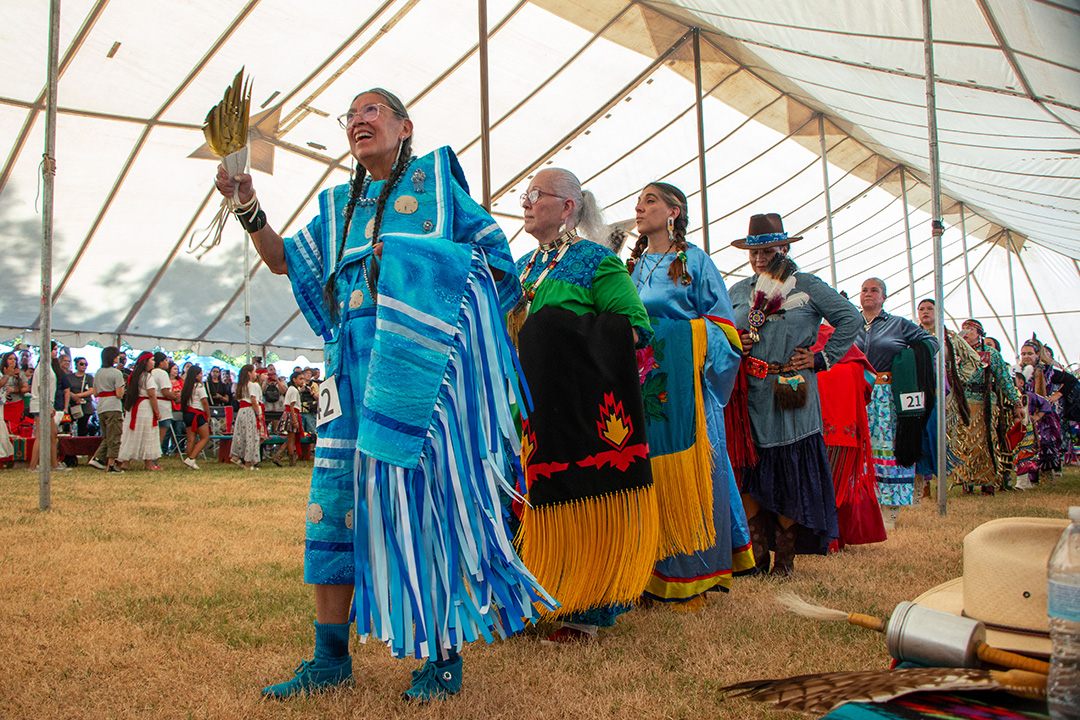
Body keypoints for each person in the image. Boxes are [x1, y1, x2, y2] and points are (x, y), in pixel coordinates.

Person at [214, 87, 552, 701]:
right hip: (348, 378)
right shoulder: (341, 205)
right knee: (332, 509)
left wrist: (417, 273)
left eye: (372, 111)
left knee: (419, 510)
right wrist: (247, 206)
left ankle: (439, 658)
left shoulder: (438, 194)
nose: (358, 122)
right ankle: (328, 659)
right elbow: (282, 261)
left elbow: (499, 267)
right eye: (351, 116)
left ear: (404, 125)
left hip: (414, 378)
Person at [510, 167, 655, 643]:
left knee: (580, 500)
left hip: (579, 409)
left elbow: (634, 327)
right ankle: (534, 600)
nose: (525, 203)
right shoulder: (523, 268)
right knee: (528, 503)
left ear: (568, 206)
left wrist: (557, 331)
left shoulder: (595, 262)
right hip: (527, 411)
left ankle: (586, 611)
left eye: (536, 195)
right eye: (524, 195)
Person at [625, 182, 753, 607]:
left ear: (674, 211)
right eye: (639, 201)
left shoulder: (694, 261)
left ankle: (694, 571)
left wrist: (683, 337)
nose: (639, 208)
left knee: (696, 468)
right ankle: (649, 570)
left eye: (650, 201)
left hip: (687, 385)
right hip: (644, 384)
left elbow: (725, 330)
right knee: (646, 470)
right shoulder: (633, 266)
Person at [728, 213, 859, 576]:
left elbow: (851, 319)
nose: (758, 259)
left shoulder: (807, 286)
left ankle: (784, 559)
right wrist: (733, 340)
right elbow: (717, 328)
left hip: (792, 390)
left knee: (790, 471)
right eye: (753, 252)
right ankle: (755, 557)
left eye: (766, 251)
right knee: (750, 471)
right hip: (749, 392)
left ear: (783, 248)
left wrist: (822, 358)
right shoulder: (738, 291)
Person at [854, 278, 938, 530]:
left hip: (889, 395)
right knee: (858, 446)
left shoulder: (898, 324)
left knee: (889, 448)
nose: (868, 294)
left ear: (884, 297)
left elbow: (930, 343)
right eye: (865, 290)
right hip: (858, 392)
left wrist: (907, 360)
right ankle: (860, 505)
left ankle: (889, 510)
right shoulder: (850, 323)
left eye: (874, 290)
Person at [955, 319, 1023, 494]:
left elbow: (1004, 380)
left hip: (984, 402)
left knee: (985, 442)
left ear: (979, 333)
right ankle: (966, 482)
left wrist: (1017, 403)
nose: (966, 333)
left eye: (969, 330)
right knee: (964, 443)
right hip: (961, 401)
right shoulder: (956, 353)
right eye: (963, 330)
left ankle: (988, 482)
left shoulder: (990, 354)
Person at [1018, 336, 1077, 482]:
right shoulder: (1019, 372)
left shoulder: (1048, 371)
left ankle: (1048, 473)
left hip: (1045, 415)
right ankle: (1031, 477)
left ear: (1038, 355)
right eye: (1023, 354)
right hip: (1026, 413)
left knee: (1046, 442)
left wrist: (1058, 394)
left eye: (1030, 353)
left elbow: (1071, 380)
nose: (1026, 357)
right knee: (1027, 442)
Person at [116, 352, 163, 472]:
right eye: (151, 360)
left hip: (135, 407)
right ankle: (148, 464)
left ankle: (126, 462)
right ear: (145, 362)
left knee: (132, 433)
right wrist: (157, 412)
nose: (153, 362)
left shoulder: (135, 376)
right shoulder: (147, 377)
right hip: (145, 407)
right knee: (148, 433)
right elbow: (152, 395)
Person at [28, 348, 72, 473]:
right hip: (41, 404)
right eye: (53, 349)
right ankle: (32, 466)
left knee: (53, 434)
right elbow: (41, 388)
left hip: (46, 404)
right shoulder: (42, 367)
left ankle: (54, 463)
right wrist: (49, 406)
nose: (55, 352)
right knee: (40, 436)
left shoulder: (48, 366)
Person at [88, 347, 126, 473]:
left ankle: (99, 458)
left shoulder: (98, 372)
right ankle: (110, 464)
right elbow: (119, 394)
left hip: (101, 406)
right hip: (113, 405)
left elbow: (96, 392)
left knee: (107, 435)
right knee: (114, 435)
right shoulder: (116, 373)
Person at [229, 364, 263, 471]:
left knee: (241, 435)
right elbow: (253, 400)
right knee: (250, 436)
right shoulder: (252, 385)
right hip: (249, 411)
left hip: (242, 412)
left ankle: (237, 455)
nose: (255, 374)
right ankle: (248, 463)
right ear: (249, 373)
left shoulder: (241, 385)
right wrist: (258, 413)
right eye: (254, 372)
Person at [180, 366, 211, 470]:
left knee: (190, 439)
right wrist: (208, 414)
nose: (202, 376)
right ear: (196, 375)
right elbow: (204, 401)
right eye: (200, 374)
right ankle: (191, 458)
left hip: (187, 413)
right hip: (197, 414)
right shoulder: (199, 386)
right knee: (205, 437)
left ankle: (190, 461)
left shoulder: (187, 386)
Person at [271, 369, 304, 467]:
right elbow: (292, 406)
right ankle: (292, 461)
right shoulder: (293, 390)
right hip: (291, 414)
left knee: (290, 438)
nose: (302, 381)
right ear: (294, 379)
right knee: (291, 440)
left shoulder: (292, 389)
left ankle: (278, 456)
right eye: (300, 379)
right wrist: (294, 420)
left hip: (289, 413)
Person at [149, 353, 178, 457]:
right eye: (166, 360)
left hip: (153, 404)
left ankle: (151, 455)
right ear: (161, 362)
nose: (167, 363)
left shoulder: (150, 372)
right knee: (161, 432)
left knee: (153, 433)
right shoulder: (162, 373)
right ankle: (155, 455)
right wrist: (176, 397)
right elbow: (165, 391)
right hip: (163, 406)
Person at [67, 357, 95, 436]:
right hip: (73, 405)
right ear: (77, 365)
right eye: (81, 364)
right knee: (70, 425)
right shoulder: (70, 377)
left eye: (85, 364)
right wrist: (73, 396)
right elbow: (66, 389)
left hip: (85, 406)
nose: (84, 366)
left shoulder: (89, 377)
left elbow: (91, 390)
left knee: (82, 427)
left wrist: (79, 395)